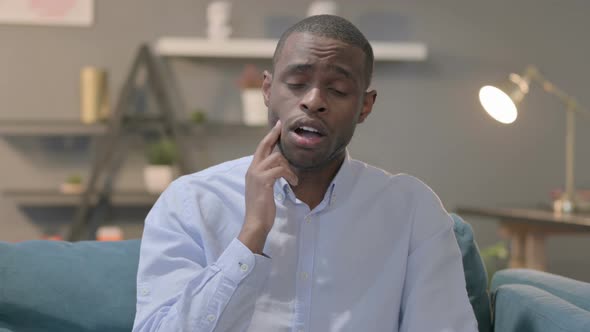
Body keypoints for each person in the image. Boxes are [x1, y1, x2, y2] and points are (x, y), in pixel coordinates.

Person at [132, 15, 477, 332]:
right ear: (267, 90)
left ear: (365, 106)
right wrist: (251, 236)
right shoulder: (190, 201)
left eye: (338, 90)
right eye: (297, 83)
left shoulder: (413, 210)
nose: (314, 101)